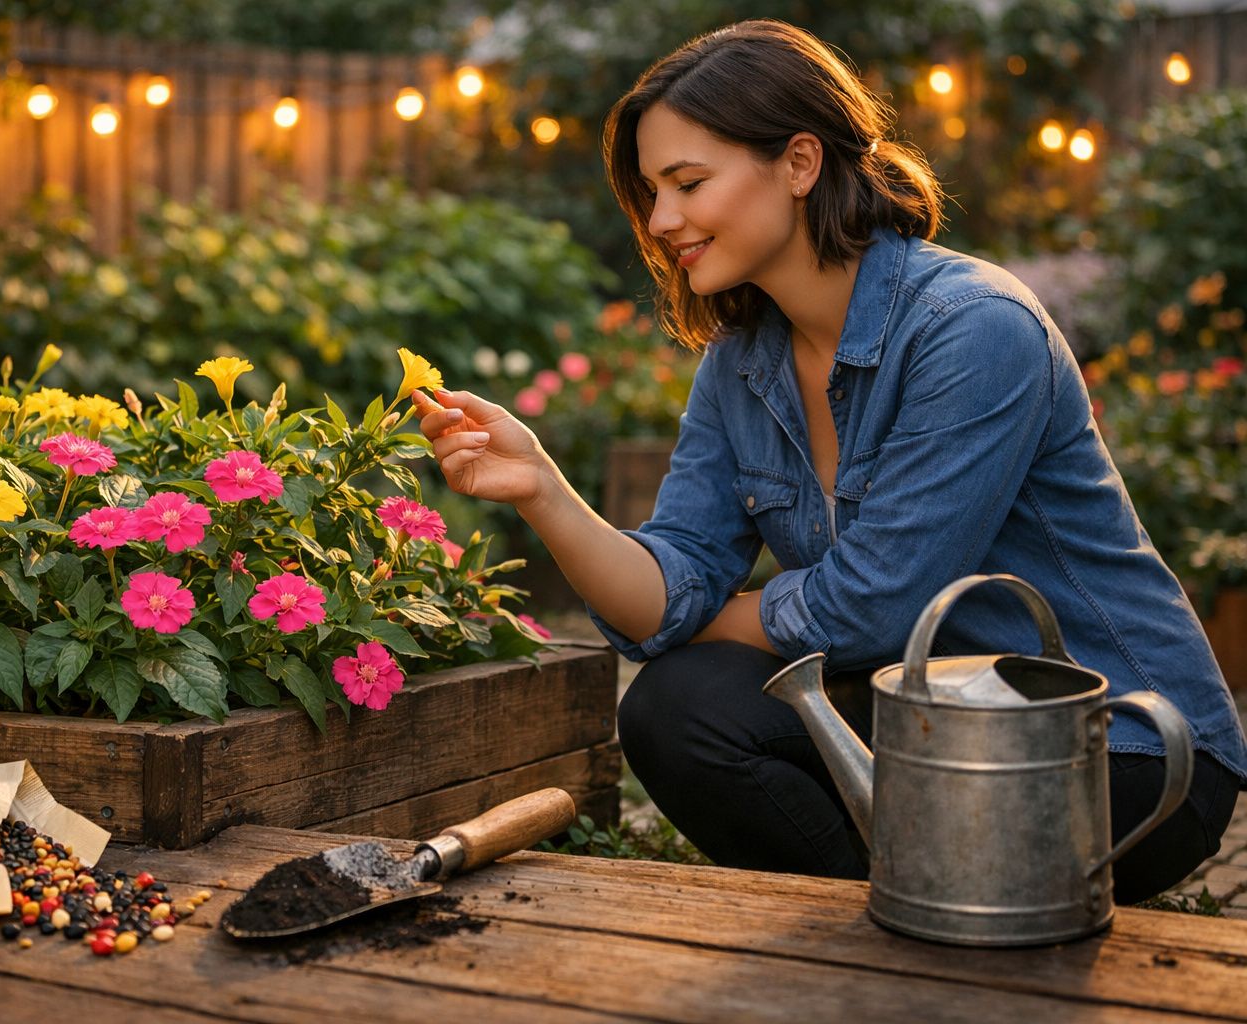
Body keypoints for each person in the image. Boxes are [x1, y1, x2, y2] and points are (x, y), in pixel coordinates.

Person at [412, 18, 1246, 903]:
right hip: (930, 731)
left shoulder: (973, 329)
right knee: (676, 706)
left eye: (689, 182)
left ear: (800, 163)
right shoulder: (741, 363)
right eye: (653, 191)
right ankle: (898, 929)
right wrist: (543, 488)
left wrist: (703, 614)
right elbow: (665, 602)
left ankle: (915, 926)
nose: (661, 221)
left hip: (1118, 748)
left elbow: (874, 605)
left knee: (702, 665)